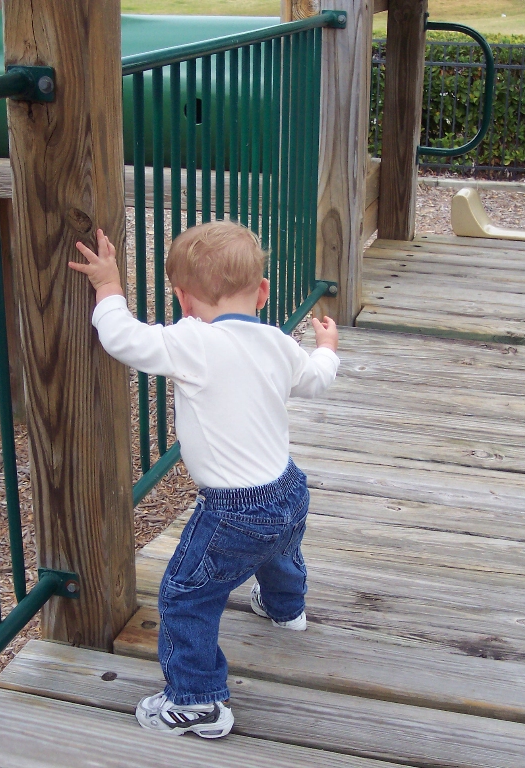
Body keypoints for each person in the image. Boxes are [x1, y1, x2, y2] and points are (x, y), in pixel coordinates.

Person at [69, 222, 339, 739]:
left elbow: (122, 338)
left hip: (233, 510)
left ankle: (197, 701)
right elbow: (315, 379)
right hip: (289, 487)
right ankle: (286, 609)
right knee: (279, 548)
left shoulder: (192, 339)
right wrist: (326, 346)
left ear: (183, 299)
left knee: (185, 595)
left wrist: (108, 285)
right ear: (262, 292)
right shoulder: (278, 342)